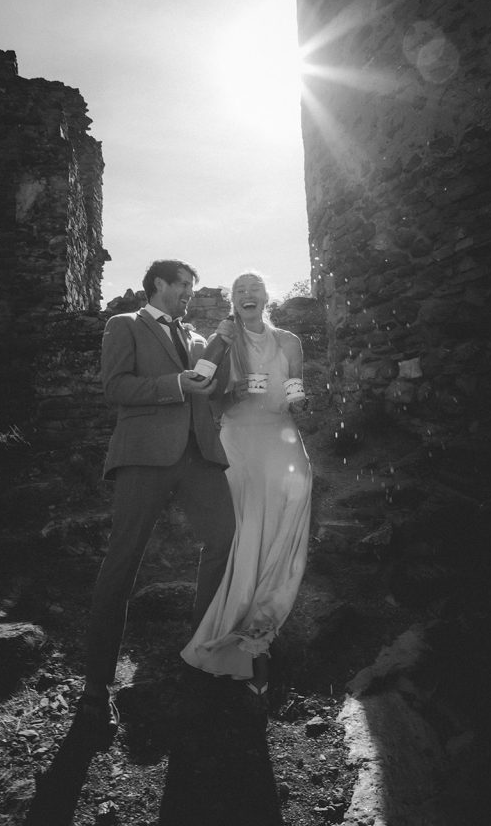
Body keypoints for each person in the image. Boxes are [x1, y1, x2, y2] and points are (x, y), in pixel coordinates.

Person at [77, 259, 236, 734]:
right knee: (123, 562)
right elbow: (115, 387)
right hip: (145, 456)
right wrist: (173, 385)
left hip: (199, 457)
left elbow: (208, 389)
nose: (188, 291)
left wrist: (219, 360)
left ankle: (201, 649)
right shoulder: (124, 324)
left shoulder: (192, 337)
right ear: (158, 285)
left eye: (191, 285)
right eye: (182, 284)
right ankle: (95, 688)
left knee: (225, 537)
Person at [181, 271, 312, 697]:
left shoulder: (289, 340)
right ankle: (237, 632)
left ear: (266, 296)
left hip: (280, 437)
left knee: (287, 517)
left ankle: (264, 621)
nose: (247, 294)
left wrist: (298, 399)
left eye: (254, 287)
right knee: (245, 529)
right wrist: (220, 347)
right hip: (238, 439)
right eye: (239, 290)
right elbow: (202, 388)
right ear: (233, 303)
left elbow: (294, 390)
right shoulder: (221, 340)